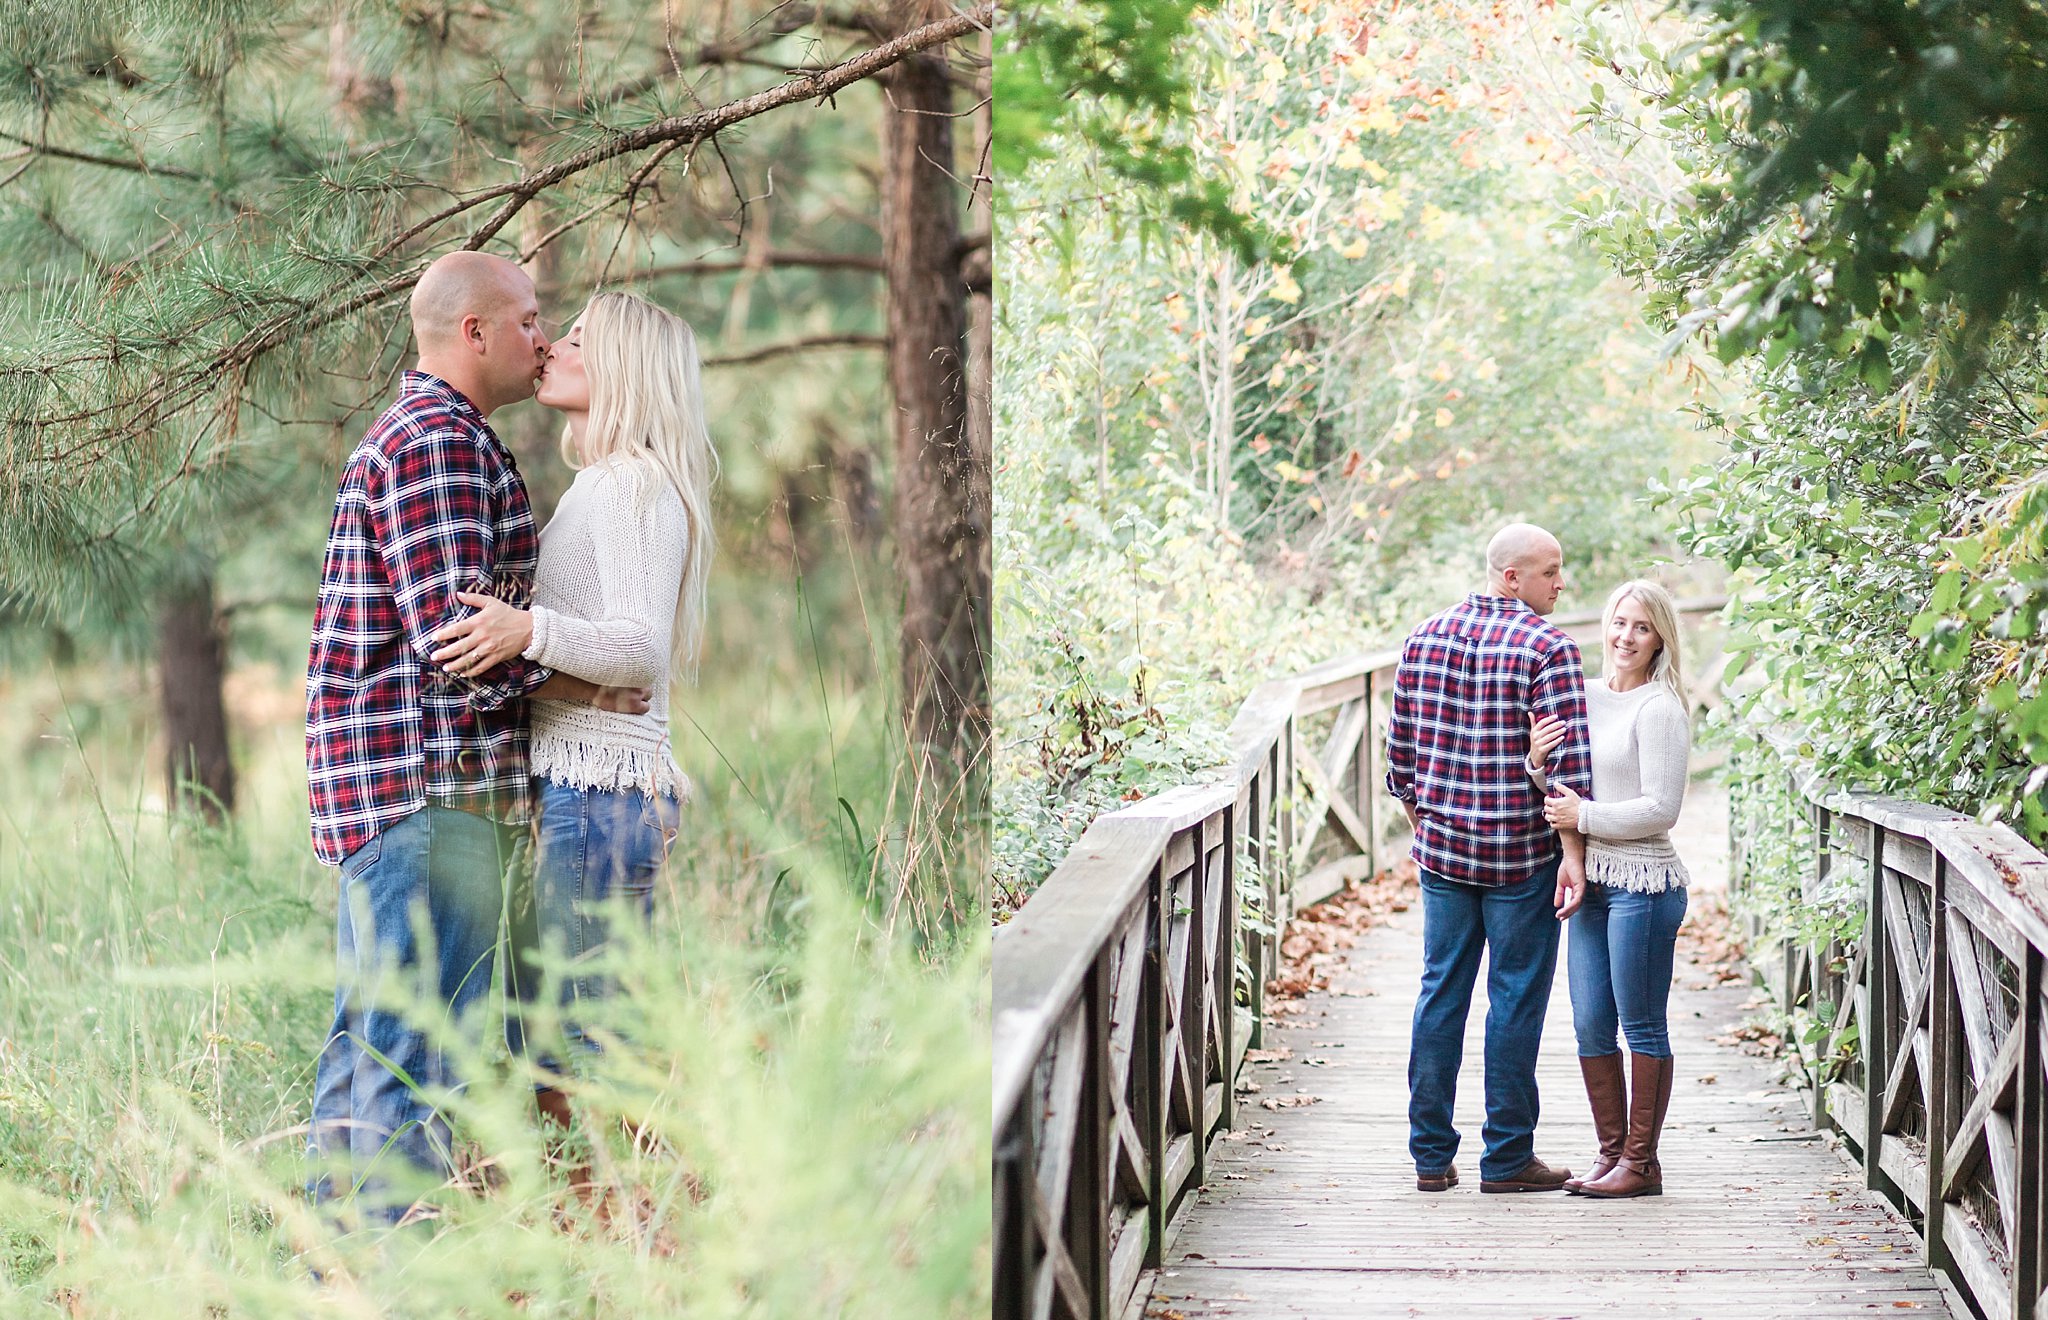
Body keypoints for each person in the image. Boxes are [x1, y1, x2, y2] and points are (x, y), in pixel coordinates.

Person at [303, 252, 647, 1222]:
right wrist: (585, 681)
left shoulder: (442, 438)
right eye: (532, 319)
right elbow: (456, 639)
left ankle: (338, 1262)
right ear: (475, 332)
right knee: (416, 1049)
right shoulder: (436, 444)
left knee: (376, 1036)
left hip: (415, 795)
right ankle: (392, 1261)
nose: (543, 339)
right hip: (430, 794)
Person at [426, 291, 713, 1135]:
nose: (551, 349)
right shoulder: (605, 484)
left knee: (584, 1037)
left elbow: (638, 651)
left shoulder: (632, 487)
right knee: (565, 1034)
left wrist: (526, 628)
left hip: (602, 798)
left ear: (622, 367)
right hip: (586, 794)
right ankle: (608, 1228)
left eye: (578, 340)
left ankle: (635, 1234)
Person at [1384, 522, 1593, 1194]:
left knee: (1439, 993)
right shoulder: (1549, 647)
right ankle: (1505, 1161)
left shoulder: (1424, 637)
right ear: (1513, 577)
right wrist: (1573, 856)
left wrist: (1430, 828)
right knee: (1514, 1003)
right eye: (1551, 571)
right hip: (1520, 859)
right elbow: (1568, 770)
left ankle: (1429, 1158)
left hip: (1443, 855)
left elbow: (1400, 763)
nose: (1562, 583)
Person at [1528, 579, 1692, 1199]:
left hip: (1645, 886)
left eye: (1642, 628)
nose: (1627, 637)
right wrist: (1538, 766)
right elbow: (1565, 787)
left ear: (1660, 640)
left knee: (1641, 1024)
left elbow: (1662, 808)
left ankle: (1641, 1162)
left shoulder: (1660, 709)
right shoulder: (1584, 696)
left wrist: (1585, 818)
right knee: (1591, 1024)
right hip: (1590, 883)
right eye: (1620, 622)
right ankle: (1611, 1154)